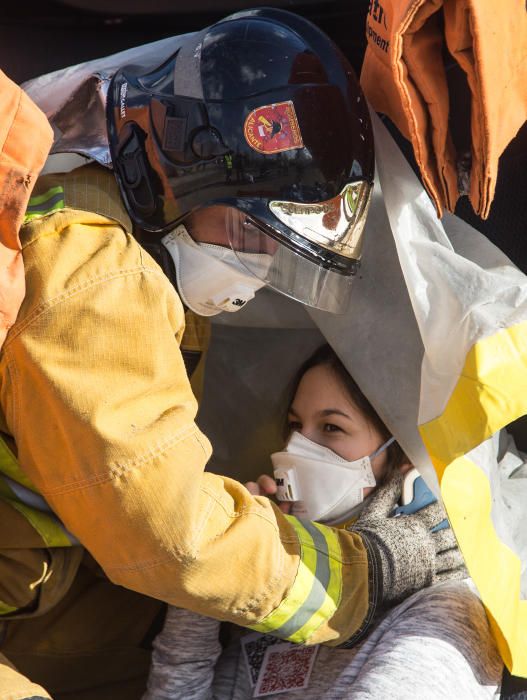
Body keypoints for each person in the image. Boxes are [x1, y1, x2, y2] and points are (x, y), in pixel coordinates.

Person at [0, 9, 465, 699]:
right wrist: (362, 571)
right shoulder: (99, 278)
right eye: (252, 233)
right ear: (185, 170)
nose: (257, 268)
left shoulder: (138, 245)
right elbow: (167, 531)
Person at [143, 345, 502, 699]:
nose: (298, 447)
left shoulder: (442, 610)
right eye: (295, 425)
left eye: (331, 427)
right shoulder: (286, 582)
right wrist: (220, 559)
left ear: (408, 456)